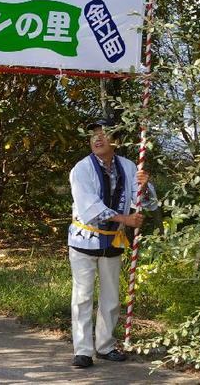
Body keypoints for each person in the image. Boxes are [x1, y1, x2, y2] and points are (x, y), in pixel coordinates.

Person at [68, 119, 158, 369]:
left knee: (110, 297)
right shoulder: (81, 169)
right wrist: (125, 219)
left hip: (113, 240)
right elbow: (89, 207)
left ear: (115, 140)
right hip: (84, 240)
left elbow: (147, 203)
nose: (97, 139)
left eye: (103, 134)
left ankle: (105, 345)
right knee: (83, 296)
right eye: (94, 135)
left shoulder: (129, 167)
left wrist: (144, 186)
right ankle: (83, 350)